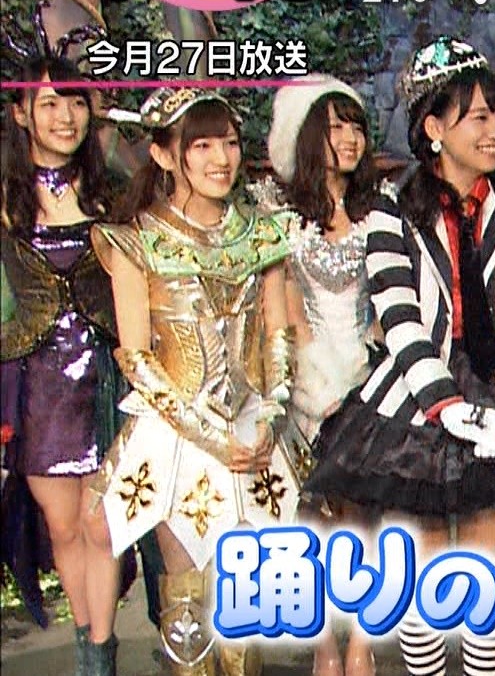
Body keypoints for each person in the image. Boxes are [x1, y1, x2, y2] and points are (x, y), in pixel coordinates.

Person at [302, 37, 495, 676]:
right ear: (434, 128)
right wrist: (448, 408)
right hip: (415, 403)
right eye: (477, 117)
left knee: (487, 562)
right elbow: (401, 322)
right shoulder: (389, 209)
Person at [91, 87, 306, 676]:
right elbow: (136, 356)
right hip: (176, 435)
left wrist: (270, 415)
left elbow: (278, 335)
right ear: (165, 155)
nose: (221, 159)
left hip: (255, 429)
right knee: (186, 598)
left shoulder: (262, 233)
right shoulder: (135, 240)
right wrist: (212, 438)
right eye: (202, 146)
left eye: (230, 143)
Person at [1, 45, 123, 676]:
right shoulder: (6, 200)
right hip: (38, 384)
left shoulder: (113, 194)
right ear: (21, 113)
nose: (65, 117)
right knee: (65, 528)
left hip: (108, 381)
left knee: (104, 523)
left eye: (76, 102)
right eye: (49, 103)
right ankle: (86, 648)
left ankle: (102, 651)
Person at [265, 75, 382, 676]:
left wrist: (374, 378)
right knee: (309, 519)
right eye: (334, 127)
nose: (349, 137)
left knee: (364, 517)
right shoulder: (281, 217)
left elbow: (391, 298)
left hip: (372, 376)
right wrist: (315, 386)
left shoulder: (380, 209)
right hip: (305, 380)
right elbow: (285, 306)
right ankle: (323, 649)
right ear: (308, 136)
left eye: (355, 124)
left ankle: (361, 644)